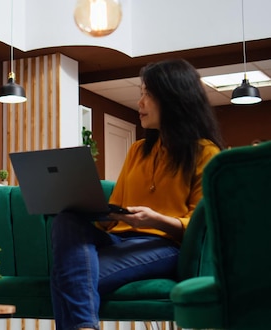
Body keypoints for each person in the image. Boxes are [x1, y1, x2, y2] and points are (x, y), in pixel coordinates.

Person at [50, 58, 224, 330]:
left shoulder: (206, 153)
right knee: (66, 220)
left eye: (148, 95)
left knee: (67, 277)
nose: (140, 103)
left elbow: (203, 229)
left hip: (165, 245)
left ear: (174, 99)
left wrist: (155, 220)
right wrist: (79, 203)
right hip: (118, 238)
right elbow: (113, 213)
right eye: (140, 94)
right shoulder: (137, 150)